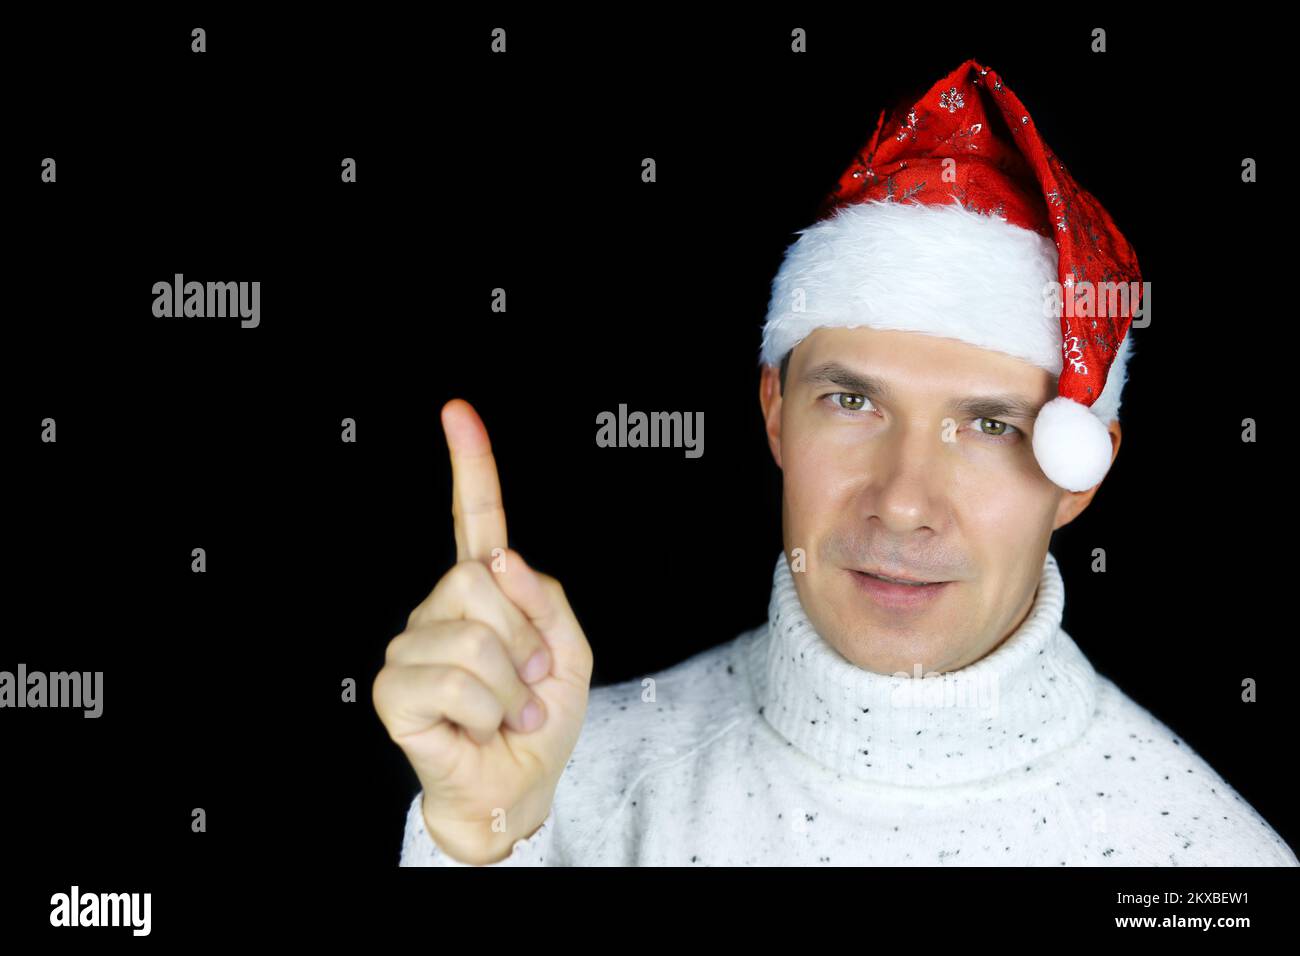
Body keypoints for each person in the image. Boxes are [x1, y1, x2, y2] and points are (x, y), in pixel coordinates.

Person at [374, 59, 1298, 866]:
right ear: (775, 414)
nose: (902, 505)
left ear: (1079, 477)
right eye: (853, 402)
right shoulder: (549, 785)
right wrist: (480, 845)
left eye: (990, 427)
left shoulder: (1201, 863)